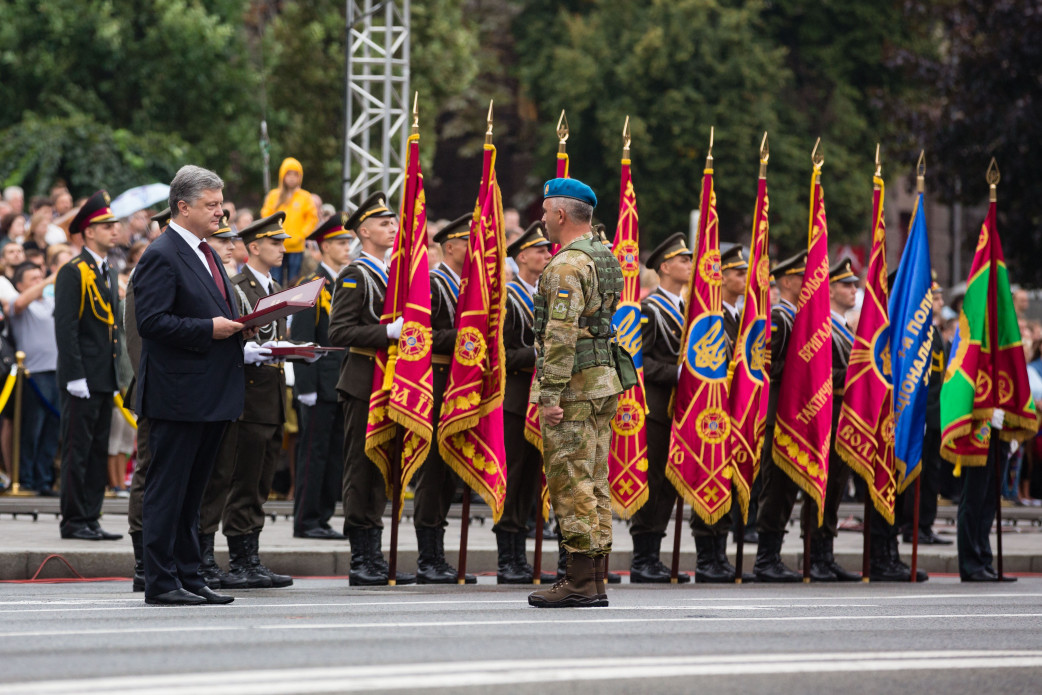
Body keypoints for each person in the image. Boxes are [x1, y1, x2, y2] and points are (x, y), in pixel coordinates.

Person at [134, 165, 247, 606]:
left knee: (193, 493)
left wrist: (242, 326)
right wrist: (208, 328)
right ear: (183, 207)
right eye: (211, 205)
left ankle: (189, 573)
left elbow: (213, 307)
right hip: (178, 395)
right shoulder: (162, 253)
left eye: (220, 203)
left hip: (211, 392)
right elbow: (151, 321)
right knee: (168, 490)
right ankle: (160, 581)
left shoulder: (207, 251)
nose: (221, 212)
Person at [528, 178, 623, 608]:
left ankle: (580, 581)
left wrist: (549, 396)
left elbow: (561, 335)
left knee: (571, 482)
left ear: (561, 215)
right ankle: (596, 579)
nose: (543, 219)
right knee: (595, 480)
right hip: (602, 379)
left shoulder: (566, 265)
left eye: (546, 212)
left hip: (574, 388)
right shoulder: (603, 256)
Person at [197, 212, 295, 590]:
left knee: (258, 481)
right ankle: (216, 557)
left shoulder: (275, 287)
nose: (283, 249)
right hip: (244, 398)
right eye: (275, 243)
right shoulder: (237, 285)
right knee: (230, 480)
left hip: (270, 396)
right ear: (253, 247)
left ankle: (246, 556)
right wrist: (251, 350)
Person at [328, 192, 415, 586]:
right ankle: (362, 557)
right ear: (363, 231)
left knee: (383, 469)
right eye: (383, 223)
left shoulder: (393, 272)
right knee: (361, 471)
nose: (393, 227)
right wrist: (387, 333)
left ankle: (377, 554)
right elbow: (340, 331)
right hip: (364, 383)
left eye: (394, 222)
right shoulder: (354, 274)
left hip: (392, 385)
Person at [53, 191, 123, 541]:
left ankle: (91, 516)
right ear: (88, 231)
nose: (114, 230)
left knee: (97, 450)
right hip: (82, 378)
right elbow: (66, 328)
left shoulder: (107, 271)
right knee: (77, 451)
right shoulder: (74, 272)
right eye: (106, 225)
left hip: (103, 377)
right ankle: (73, 519)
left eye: (114, 224)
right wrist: (75, 375)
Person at [626, 233, 695, 583]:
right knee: (652, 480)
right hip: (654, 408)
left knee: (669, 482)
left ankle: (655, 555)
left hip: (681, 410)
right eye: (683, 260)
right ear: (665, 267)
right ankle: (643, 558)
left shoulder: (689, 310)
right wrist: (678, 372)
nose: (689, 265)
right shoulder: (649, 310)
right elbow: (639, 360)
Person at [415, 213, 475, 584]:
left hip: (460, 384)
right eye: (468, 242)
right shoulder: (436, 283)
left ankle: (440, 554)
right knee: (434, 473)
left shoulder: (468, 285)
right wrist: (467, 338)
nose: (475, 248)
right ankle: (428, 556)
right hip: (436, 383)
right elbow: (423, 336)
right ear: (449, 246)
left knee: (450, 472)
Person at [497, 221, 554, 584]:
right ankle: (508, 557)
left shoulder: (544, 296)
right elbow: (501, 353)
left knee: (532, 478)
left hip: (541, 401)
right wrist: (541, 353)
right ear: (521, 257)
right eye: (540, 251)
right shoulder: (507, 297)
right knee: (514, 478)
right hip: (516, 398)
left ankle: (522, 554)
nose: (548, 255)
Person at [291, 213, 353, 540]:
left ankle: (323, 516)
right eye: (341, 243)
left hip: (340, 383)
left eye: (348, 242)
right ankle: (306, 520)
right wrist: (305, 387)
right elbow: (301, 338)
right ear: (325, 246)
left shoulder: (344, 281)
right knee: (312, 454)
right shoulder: (310, 285)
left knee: (332, 456)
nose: (347, 248)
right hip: (318, 384)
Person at [804, 258, 861, 582]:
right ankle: (815, 554)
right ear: (829, 289)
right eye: (846, 284)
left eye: (854, 284)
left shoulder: (846, 326)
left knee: (838, 485)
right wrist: (858, 375)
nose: (853, 290)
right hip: (825, 413)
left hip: (845, 416)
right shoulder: (821, 326)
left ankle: (827, 553)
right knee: (820, 486)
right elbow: (816, 371)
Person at [753, 250, 806, 582]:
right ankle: (765, 558)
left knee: (788, 489)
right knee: (776, 487)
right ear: (786, 281)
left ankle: (772, 553)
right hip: (777, 415)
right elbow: (767, 367)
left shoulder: (799, 317)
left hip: (796, 413)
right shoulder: (779, 317)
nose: (811, 282)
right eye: (803, 277)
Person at [10, 262, 59, 495]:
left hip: (57, 371)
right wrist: (48, 281)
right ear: (20, 284)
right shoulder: (21, 304)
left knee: (52, 429)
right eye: (32, 279)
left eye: (40, 276)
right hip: (33, 374)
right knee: (32, 429)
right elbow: (19, 303)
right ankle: (26, 479)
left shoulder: (51, 301)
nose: (39, 281)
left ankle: (44, 479)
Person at [261, 157, 318, 285]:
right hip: (276, 244)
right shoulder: (274, 195)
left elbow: (312, 218)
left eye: (295, 174)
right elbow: (266, 215)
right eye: (288, 173)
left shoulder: (305, 196)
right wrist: (272, 234)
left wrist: (302, 234)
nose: (292, 177)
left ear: (300, 177)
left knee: (294, 281)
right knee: (275, 280)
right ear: (282, 175)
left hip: (296, 246)